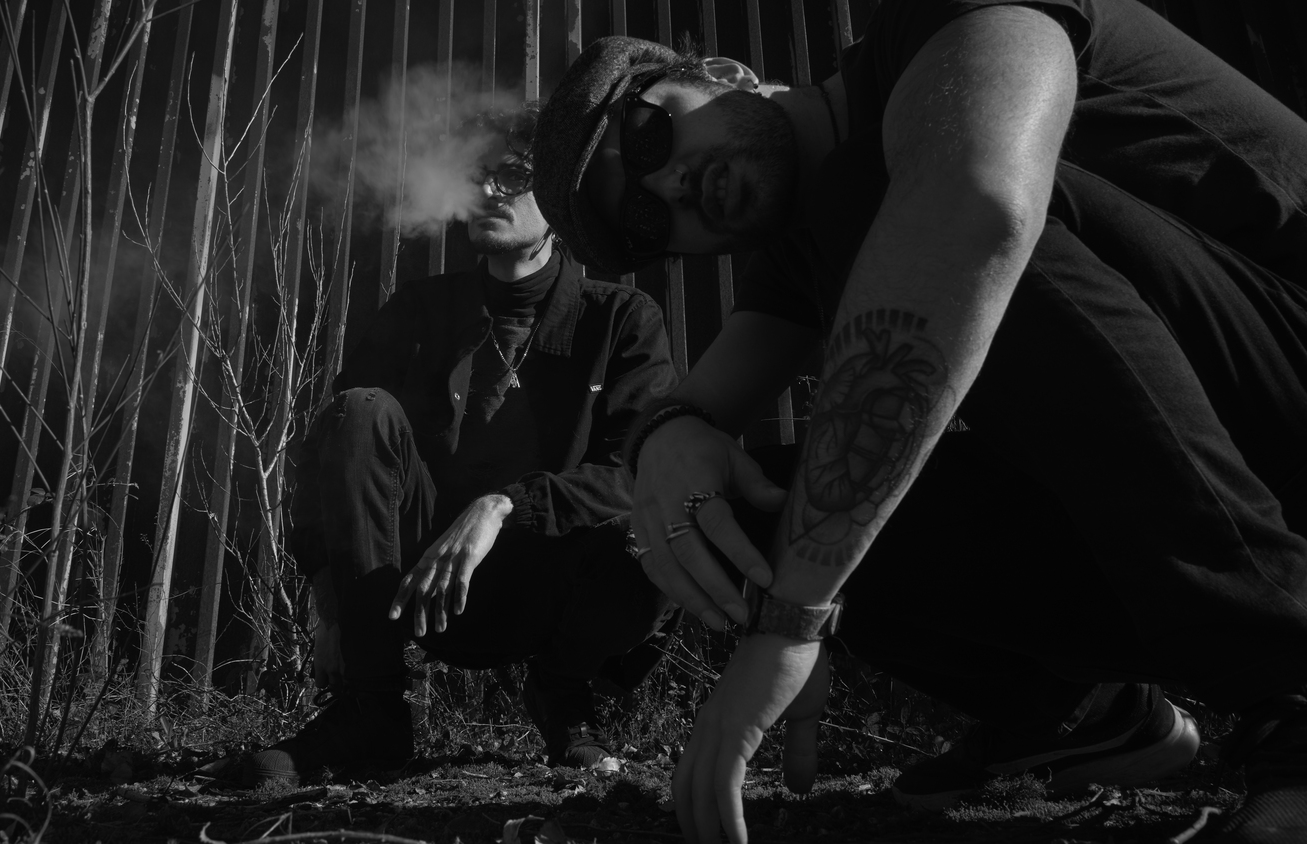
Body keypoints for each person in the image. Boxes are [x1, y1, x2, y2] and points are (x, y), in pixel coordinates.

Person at [529, 2, 1307, 842]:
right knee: (763, 504)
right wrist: (668, 437)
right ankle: (1079, 714)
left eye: (648, 139)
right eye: (644, 221)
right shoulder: (808, 238)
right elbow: (698, 410)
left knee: (886, 194)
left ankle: (1292, 682)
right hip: (1255, 485)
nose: (668, 188)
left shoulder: (946, 27)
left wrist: (792, 619)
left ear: (721, 73)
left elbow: (974, 206)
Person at [244, 104, 680, 783]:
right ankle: (373, 711)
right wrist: (332, 602)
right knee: (360, 410)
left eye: (515, 175)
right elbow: (331, 455)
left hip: (553, 586)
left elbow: (638, 471)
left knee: (659, 518)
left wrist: (503, 506)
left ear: (562, 191)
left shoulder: (623, 320)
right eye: (476, 174)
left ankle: (565, 697)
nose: (488, 190)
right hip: (418, 588)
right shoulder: (419, 312)